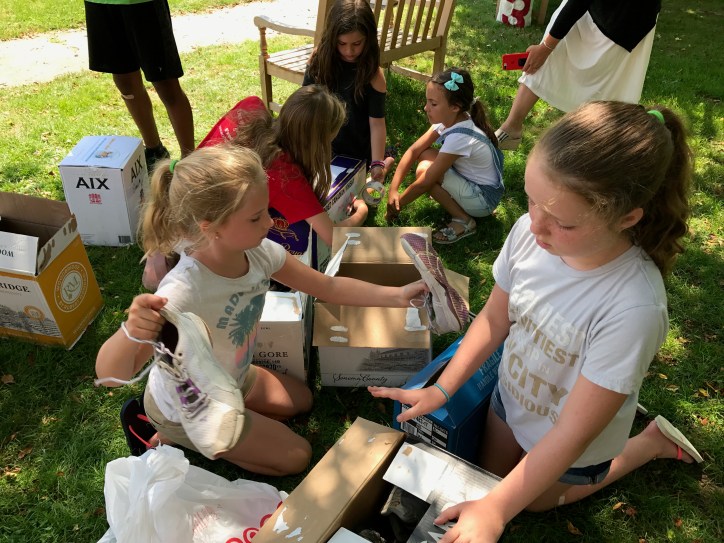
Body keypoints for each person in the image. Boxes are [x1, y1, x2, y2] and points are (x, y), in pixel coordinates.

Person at [370, 102, 700, 542]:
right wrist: (442, 388)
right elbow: (495, 317)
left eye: (562, 222)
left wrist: (497, 510)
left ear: (627, 217)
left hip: (573, 431)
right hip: (513, 396)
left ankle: (648, 443)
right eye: (530, 200)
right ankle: (605, 392)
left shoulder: (633, 308)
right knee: (490, 476)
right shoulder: (530, 232)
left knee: (534, 500)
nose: (535, 226)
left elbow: (572, 434)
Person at [96, 144, 427, 476]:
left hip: (233, 378)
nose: (269, 223)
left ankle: (222, 426)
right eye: (255, 218)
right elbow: (110, 374)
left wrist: (398, 296)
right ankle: (165, 431)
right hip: (192, 406)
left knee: (303, 400)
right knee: (298, 456)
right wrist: (131, 332)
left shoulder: (258, 252)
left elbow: (328, 287)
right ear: (211, 227)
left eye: (265, 210)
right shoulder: (182, 292)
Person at [495, 0, 661, 150]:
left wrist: (546, 48)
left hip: (623, 19)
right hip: (620, 14)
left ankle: (584, 152)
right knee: (556, 56)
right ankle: (511, 128)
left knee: (603, 94)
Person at [231, 86, 368, 248]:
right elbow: (333, 237)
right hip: (222, 239)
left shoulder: (250, 106)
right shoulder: (288, 178)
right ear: (318, 144)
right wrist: (361, 212)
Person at [385, 68, 503, 245]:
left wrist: (396, 206)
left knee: (425, 171)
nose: (426, 108)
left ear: (455, 107)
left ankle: (464, 220)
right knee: (425, 154)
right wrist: (393, 189)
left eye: (433, 104)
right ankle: (454, 201)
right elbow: (413, 151)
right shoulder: (451, 119)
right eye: (427, 101)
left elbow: (424, 183)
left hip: (483, 201)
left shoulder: (460, 136)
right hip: (474, 185)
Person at [83, 0, 195, 169]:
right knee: (125, 82)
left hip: (143, 4)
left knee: (166, 83)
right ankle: (154, 150)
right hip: (100, 4)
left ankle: (189, 162)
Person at [303, 0, 394, 182]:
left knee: (355, 184)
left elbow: (377, 123)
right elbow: (305, 104)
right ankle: (387, 159)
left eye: (357, 43)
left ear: (368, 38)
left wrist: (376, 163)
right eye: (341, 43)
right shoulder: (319, 61)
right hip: (323, 143)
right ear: (332, 38)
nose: (349, 51)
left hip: (356, 147)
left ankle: (385, 160)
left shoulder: (374, 75)